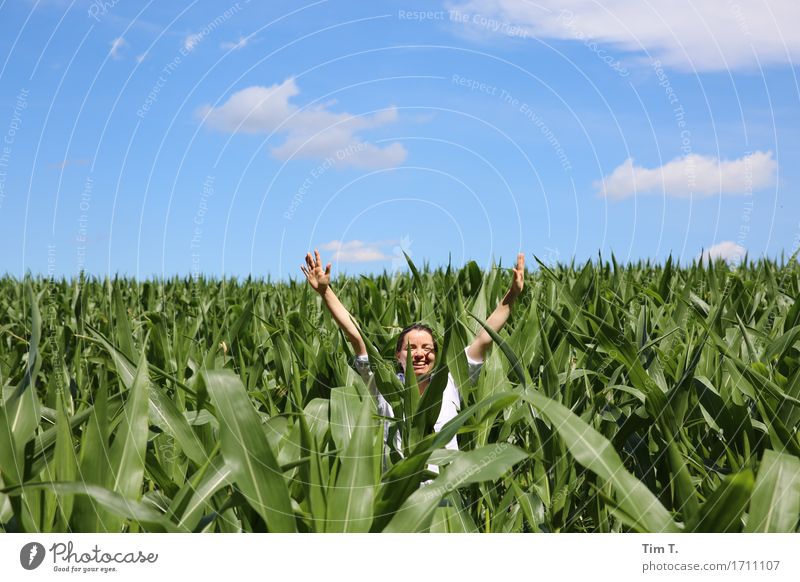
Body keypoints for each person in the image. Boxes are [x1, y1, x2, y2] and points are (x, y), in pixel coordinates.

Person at [301, 249, 525, 461]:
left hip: (444, 494)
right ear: (398, 355)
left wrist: (512, 294)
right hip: (398, 493)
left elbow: (484, 339)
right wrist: (325, 291)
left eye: (427, 348)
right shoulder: (383, 385)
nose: (419, 354)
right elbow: (357, 336)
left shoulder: (451, 381)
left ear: (436, 355)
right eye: (411, 348)